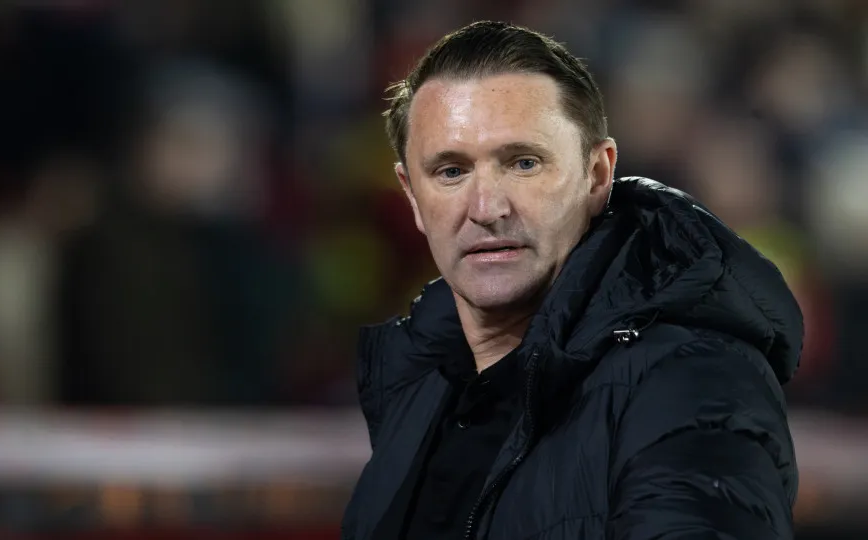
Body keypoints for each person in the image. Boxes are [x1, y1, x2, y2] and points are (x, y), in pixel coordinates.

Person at [342, 21, 801, 540]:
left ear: (598, 175)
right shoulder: (418, 393)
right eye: (451, 171)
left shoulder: (690, 380)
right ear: (411, 195)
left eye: (523, 163)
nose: (486, 208)